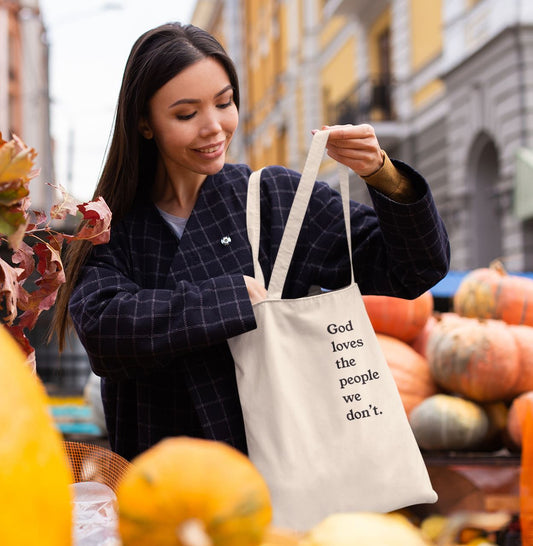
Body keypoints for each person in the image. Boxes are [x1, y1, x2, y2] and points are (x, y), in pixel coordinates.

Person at [52, 22, 450, 461]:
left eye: (225, 103)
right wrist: (230, 300)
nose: (214, 128)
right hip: (163, 479)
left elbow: (415, 268)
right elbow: (104, 331)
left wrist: (384, 174)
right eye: (186, 114)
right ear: (145, 123)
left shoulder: (274, 198)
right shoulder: (111, 223)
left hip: (284, 470)